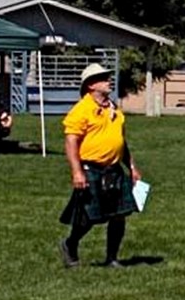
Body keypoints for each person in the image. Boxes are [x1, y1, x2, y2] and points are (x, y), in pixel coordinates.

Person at [57, 63, 142, 269]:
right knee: (89, 217)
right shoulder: (81, 110)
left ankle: (112, 258)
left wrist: (131, 166)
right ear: (91, 85)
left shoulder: (113, 108)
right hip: (91, 168)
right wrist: (77, 172)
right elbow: (71, 142)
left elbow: (121, 140)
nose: (108, 80)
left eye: (107, 77)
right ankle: (70, 243)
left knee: (119, 215)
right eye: (103, 78)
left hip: (114, 169)